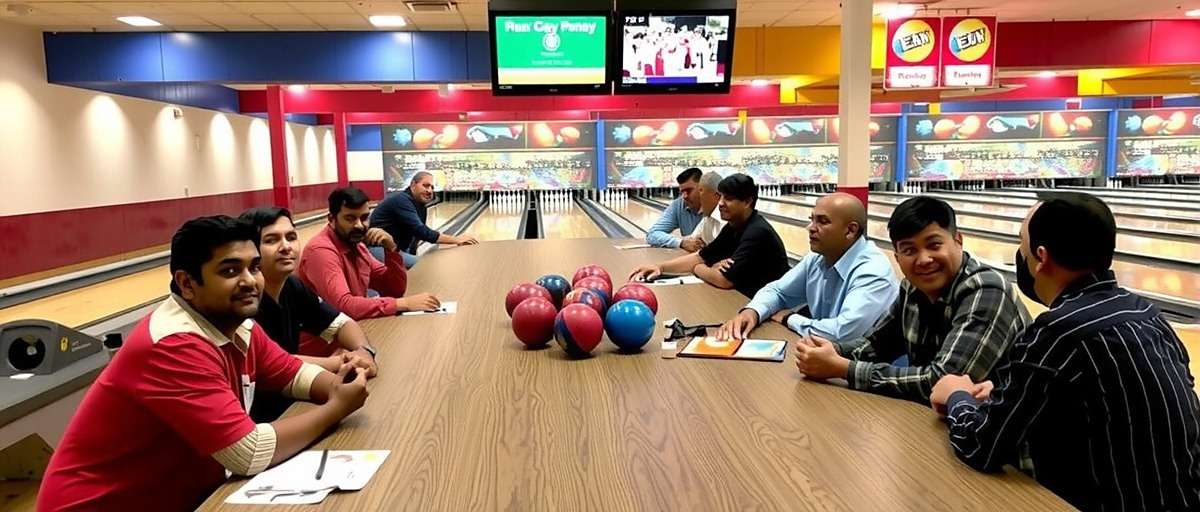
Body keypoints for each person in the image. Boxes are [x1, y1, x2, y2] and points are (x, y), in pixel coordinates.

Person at [39, 216, 369, 511]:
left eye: (253, 267)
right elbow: (250, 453)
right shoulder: (172, 344)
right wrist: (336, 407)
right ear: (186, 283)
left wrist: (342, 380)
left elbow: (293, 374)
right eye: (230, 271)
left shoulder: (238, 325)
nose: (250, 281)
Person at [930, 192, 1200, 511]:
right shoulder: (1148, 313)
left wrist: (957, 395)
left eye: (1022, 243)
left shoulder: (1056, 333)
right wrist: (1004, 392)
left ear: (1041, 257)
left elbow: (981, 447)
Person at [793, 196, 1027, 403]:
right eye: (909, 250)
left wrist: (844, 368)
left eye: (934, 245)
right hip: (943, 422)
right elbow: (875, 344)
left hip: (998, 434)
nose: (924, 259)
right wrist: (830, 350)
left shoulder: (986, 290)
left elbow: (944, 382)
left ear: (958, 240)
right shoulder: (911, 288)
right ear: (897, 256)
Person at [239, 206, 379, 422]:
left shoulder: (293, 286)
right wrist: (343, 361)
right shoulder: (242, 300)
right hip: (264, 418)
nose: (286, 247)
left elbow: (342, 323)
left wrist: (364, 351)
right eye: (271, 240)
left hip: (296, 400)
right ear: (251, 251)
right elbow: (271, 364)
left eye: (291, 237)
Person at [718, 192, 898, 343]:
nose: (810, 228)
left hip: (864, 370)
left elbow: (843, 334)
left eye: (822, 221)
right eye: (812, 220)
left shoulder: (872, 271)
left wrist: (790, 318)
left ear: (850, 230)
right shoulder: (816, 259)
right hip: (828, 357)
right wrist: (752, 312)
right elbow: (778, 291)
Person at [629, 173, 789, 298]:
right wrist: (660, 267)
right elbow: (702, 256)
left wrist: (698, 268)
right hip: (748, 298)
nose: (721, 203)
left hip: (775, 307)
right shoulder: (734, 226)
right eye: (721, 196)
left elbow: (723, 280)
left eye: (729, 198)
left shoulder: (757, 231)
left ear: (747, 202)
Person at [299, 187, 440, 321]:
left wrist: (391, 250)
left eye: (364, 217)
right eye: (350, 218)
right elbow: (343, 306)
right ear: (331, 219)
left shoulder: (357, 246)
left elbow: (393, 289)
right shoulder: (320, 251)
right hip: (325, 343)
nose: (359, 225)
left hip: (350, 330)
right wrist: (402, 304)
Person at [368, 171, 477, 269]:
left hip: (397, 248)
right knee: (425, 264)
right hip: (379, 249)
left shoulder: (420, 205)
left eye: (432, 187)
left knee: (425, 261)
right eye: (426, 185)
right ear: (413, 184)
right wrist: (456, 239)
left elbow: (416, 236)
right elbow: (421, 231)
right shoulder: (401, 200)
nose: (430, 190)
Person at [646, 167, 706, 251]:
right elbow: (652, 234)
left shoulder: (719, 207)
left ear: (702, 188)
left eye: (689, 191)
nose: (684, 196)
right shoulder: (678, 205)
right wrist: (681, 243)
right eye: (682, 192)